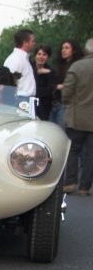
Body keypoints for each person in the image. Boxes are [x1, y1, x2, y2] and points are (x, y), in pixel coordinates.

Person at [60, 38, 93, 195]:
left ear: (87, 50)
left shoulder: (77, 66)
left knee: (73, 150)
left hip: (76, 117)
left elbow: (67, 92)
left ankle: (70, 182)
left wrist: (67, 102)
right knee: (91, 154)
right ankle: (85, 187)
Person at [52, 39, 83, 126]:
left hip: (66, 105)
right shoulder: (60, 65)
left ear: (74, 50)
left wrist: (62, 86)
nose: (63, 50)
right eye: (62, 48)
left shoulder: (77, 66)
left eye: (67, 48)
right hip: (55, 103)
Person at [3, 28, 36, 98]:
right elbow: (9, 83)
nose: (34, 43)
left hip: (26, 99)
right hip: (20, 99)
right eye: (33, 41)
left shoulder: (23, 58)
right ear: (25, 42)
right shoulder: (16, 59)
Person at [33, 44, 56, 121]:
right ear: (35, 55)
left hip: (44, 107)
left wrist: (35, 91)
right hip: (29, 105)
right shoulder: (30, 70)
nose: (41, 57)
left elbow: (51, 90)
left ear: (48, 57)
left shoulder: (50, 71)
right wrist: (37, 73)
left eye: (44, 54)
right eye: (39, 54)